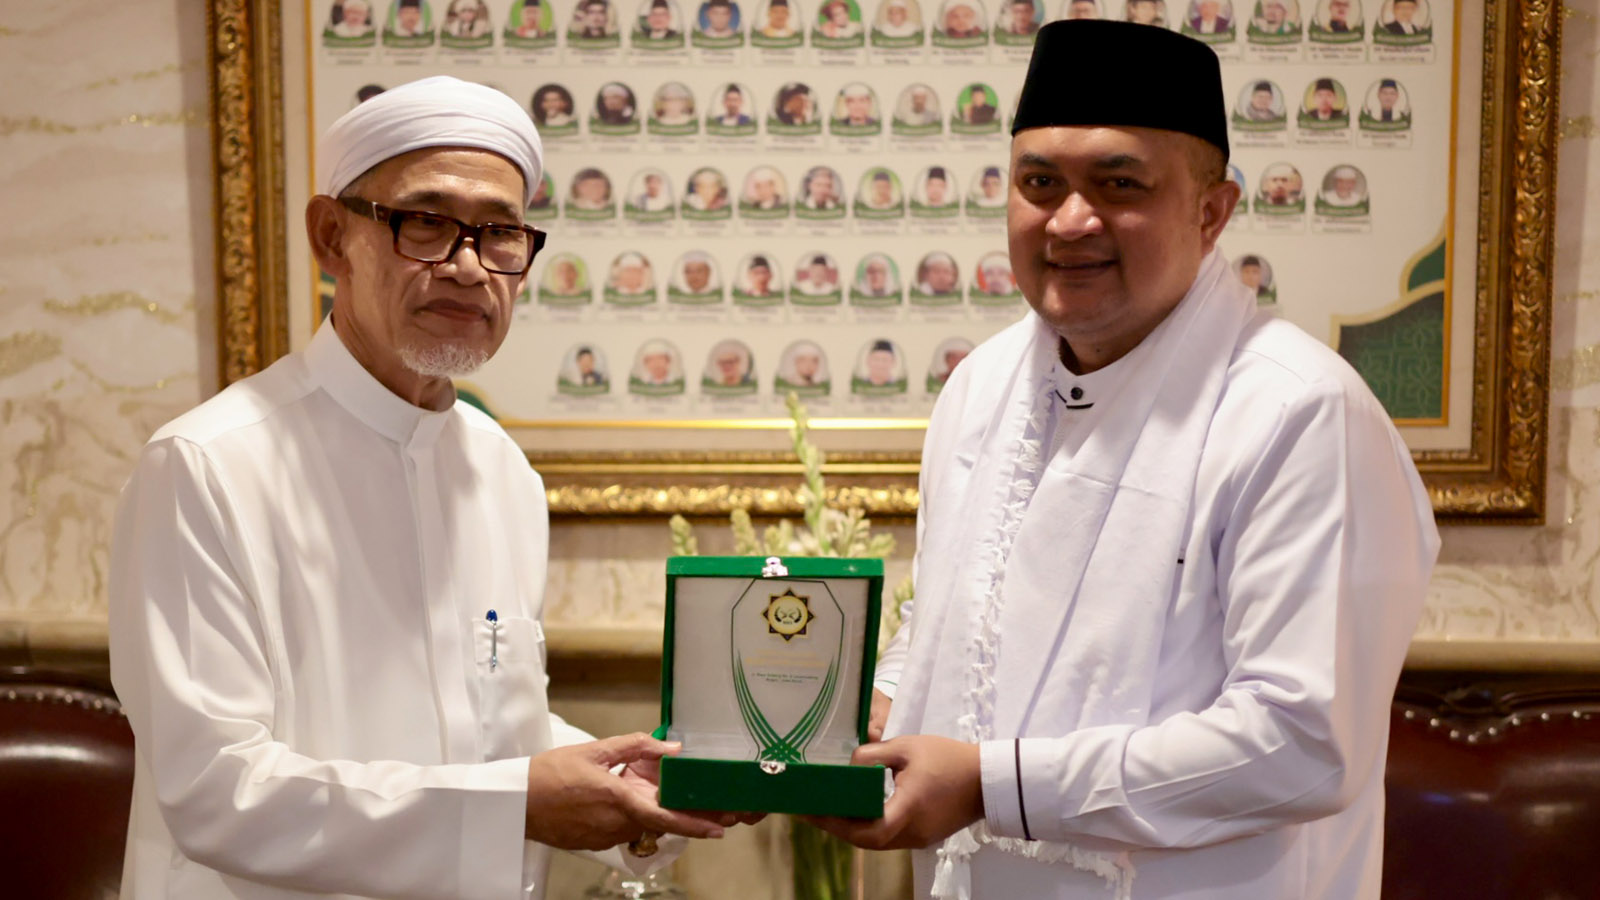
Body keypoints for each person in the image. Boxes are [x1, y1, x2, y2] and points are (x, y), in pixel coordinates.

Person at [807, 20, 1437, 900]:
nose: (1071, 220)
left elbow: (1302, 741)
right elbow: (955, 622)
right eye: (1040, 183)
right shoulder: (982, 386)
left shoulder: (1300, 412)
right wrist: (863, 713)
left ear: (1212, 212)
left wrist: (994, 785)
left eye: (1119, 183)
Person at [109, 76, 740, 900]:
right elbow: (218, 792)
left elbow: (494, 731)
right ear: (332, 237)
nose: (468, 267)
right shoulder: (205, 465)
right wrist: (517, 805)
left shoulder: (501, 471)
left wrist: (639, 793)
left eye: (499, 233)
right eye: (428, 224)